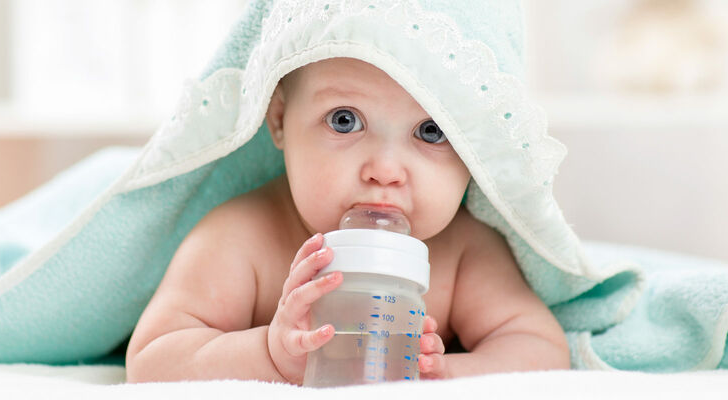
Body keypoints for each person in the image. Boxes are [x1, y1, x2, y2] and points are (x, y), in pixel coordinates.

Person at [124, 56, 570, 384]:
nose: (386, 170)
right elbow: (152, 359)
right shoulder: (242, 237)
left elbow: (541, 348)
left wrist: (448, 372)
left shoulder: (465, 251)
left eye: (431, 131)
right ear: (279, 119)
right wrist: (269, 354)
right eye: (344, 121)